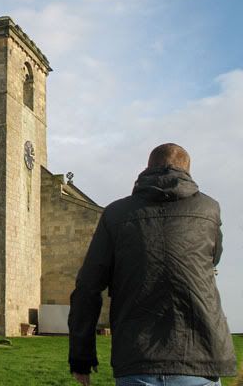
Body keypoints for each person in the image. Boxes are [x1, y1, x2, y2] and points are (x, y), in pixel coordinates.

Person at [68, 143, 236, 386]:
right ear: (187, 171)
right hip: (199, 358)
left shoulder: (116, 214)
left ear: (147, 168)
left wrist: (81, 358)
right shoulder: (209, 209)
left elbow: (87, 287)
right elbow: (214, 257)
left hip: (137, 359)